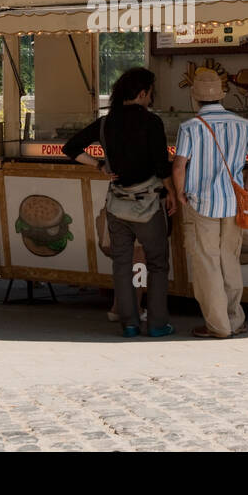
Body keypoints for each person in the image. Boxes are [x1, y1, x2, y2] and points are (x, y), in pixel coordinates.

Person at [63, 67, 176, 338]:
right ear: (142, 93)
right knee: (158, 264)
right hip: (148, 204)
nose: (151, 98)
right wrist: (171, 192)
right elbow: (162, 166)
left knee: (122, 265)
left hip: (117, 205)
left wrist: (99, 165)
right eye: (151, 92)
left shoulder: (106, 122)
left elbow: (71, 148)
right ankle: (158, 324)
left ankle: (129, 323)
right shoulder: (152, 122)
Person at [173, 67, 248, 339]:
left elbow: (179, 166)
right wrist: (245, 186)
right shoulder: (242, 124)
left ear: (195, 98)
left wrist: (179, 193)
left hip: (201, 203)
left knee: (207, 263)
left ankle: (218, 325)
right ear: (221, 95)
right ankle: (235, 320)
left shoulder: (190, 127)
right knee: (229, 260)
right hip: (232, 203)